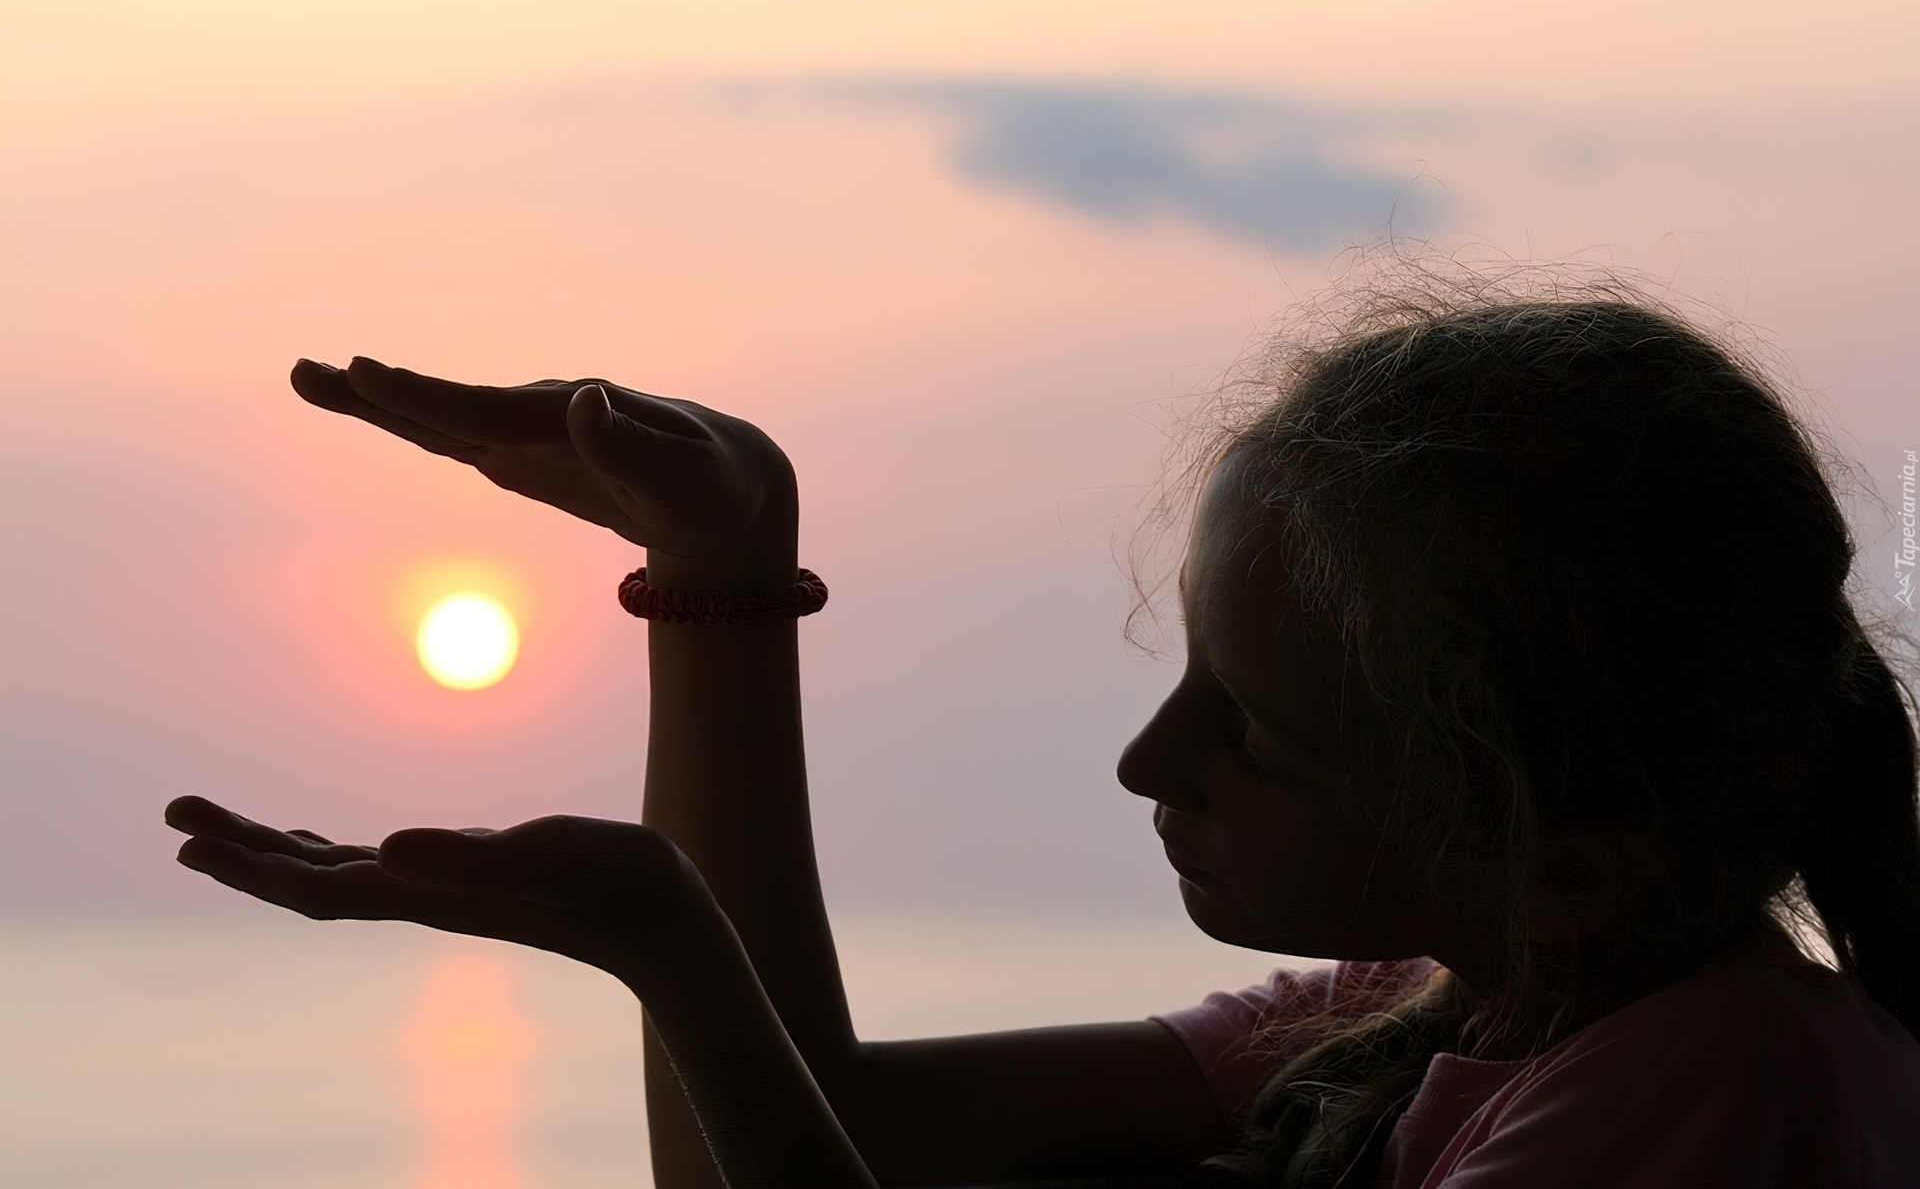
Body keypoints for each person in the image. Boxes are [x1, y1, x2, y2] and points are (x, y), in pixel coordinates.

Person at [167, 273, 1920, 1187]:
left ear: (1575, 859)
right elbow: (816, 1125)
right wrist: (718, 575)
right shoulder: (1410, 1018)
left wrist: (679, 954)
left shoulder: (1720, 1090)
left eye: (1256, 731)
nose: (1147, 763)